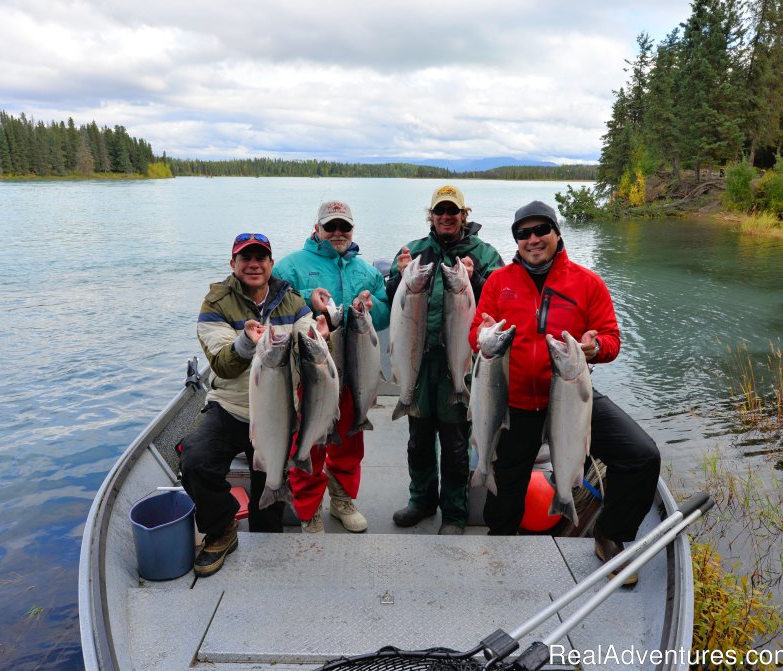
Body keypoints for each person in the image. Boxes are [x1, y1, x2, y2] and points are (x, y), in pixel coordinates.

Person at [468, 200, 660, 584]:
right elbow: (476, 333)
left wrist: (595, 348)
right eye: (524, 233)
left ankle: (610, 535)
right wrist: (482, 335)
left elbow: (611, 340)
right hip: (514, 403)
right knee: (504, 495)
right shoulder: (498, 282)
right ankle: (500, 547)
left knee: (640, 456)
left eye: (541, 230)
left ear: (557, 233)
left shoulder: (587, 283)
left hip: (572, 400)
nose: (533, 239)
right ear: (516, 241)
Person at [179, 232, 326, 578]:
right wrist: (246, 341)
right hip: (231, 408)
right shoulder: (215, 304)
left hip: (277, 411)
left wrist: (320, 331)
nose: (254, 264)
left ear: (271, 264)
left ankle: (269, 538)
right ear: (233, 264)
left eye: (261, 258)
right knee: (195, 460)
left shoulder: (292, 301)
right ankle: (221, 529)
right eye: (246, 258)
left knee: (269, 480)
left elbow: (308, 337)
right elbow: (222, 363)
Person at [386, 185, 504, 535]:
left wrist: (477, 279)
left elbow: (501, 303)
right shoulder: (414, 252)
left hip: (460, 363)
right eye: (440, 211)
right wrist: (398, 275)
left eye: (453, 211)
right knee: (418, 439)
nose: (446, 216)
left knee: (455, 444)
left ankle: (454, 513)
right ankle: (421, 501)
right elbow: (393, 299)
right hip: (418, 363)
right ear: (431, 215)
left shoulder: (484, 253)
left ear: (463, 214)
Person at [273, 200, 391, 533]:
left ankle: (341, 500)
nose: (338, 233)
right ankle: (309, 512)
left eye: (344, 227)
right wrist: (309, 295)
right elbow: (275, 303)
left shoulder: (366, 272)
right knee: (310, 440)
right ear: (317, 230)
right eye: (330, 227)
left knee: (349, 443)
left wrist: (370, 308)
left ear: (352, 230)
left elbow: (382, 315)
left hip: (353, 372)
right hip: (309, 371)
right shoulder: (290, 266)